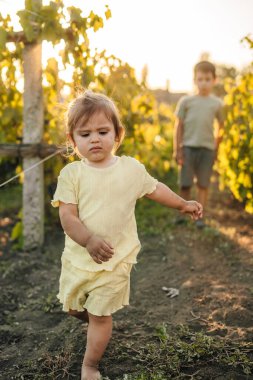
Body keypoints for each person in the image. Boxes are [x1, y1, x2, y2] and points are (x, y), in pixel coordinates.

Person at [51, 90, 203, 380]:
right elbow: (67, 216)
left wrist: (182, 203)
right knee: (73, 308)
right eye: (85, 134)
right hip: (78, 258)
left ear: (117, 134)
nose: (94, 139)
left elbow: (155, 188)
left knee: (100, 316)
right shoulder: (72, 175)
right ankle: (95, 319)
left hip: (115, 257)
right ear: (72, 141)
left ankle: (90, 365)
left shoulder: (130, 169)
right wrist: (88, 240)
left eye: (102, 131)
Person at [174, 61, 224, 228]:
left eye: (207, 79)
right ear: (194, 80)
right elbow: (179, 126)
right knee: (185, 183)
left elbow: (221, 127)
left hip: (208, 149)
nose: (204, 83)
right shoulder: (186, 101)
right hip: (188, 147)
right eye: (200, 79)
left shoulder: (217, 104)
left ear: (214, 80)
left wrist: (217, 148)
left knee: (203, 184)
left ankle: (200, 217)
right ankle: (182, 214)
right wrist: (177, 149)